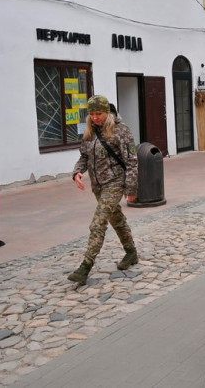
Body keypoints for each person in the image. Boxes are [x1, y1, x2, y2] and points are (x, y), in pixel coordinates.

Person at [69, 95, 138, 285]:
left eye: (98, 113)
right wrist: (77, 172)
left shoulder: (120, 131)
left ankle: (85, 266)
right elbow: (84, 156)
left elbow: (131, 161)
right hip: (98, 186)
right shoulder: (89, 132)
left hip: (115, 183)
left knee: (98, 223)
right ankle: (131, 252)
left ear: (107, 112)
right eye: (91, 114)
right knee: (116, 219)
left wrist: (131, 187)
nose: (95, 117)